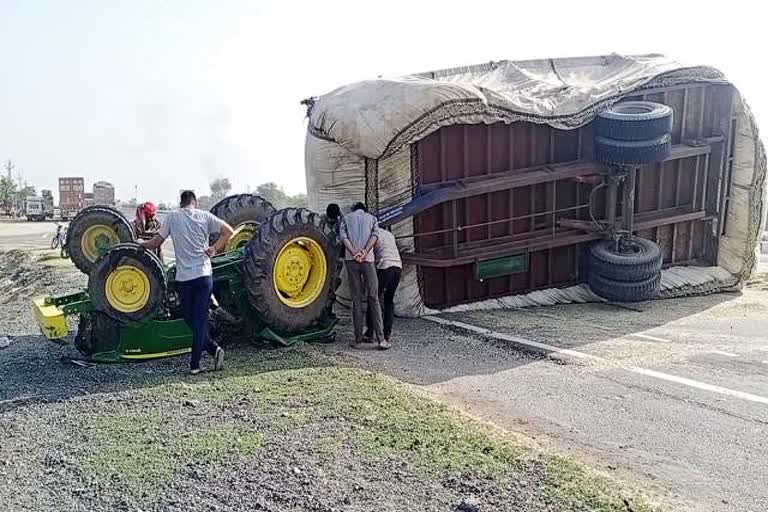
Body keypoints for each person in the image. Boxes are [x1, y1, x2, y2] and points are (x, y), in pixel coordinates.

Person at [140, 190, 234, 374]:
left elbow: (156, 242)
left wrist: (139, 244)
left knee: (192, 318)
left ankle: (195, 365)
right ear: (195, 202)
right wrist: (214, 248)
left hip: (185, 279)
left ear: (180, 202)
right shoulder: (205, 216)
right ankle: (214, 349)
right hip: (204, 276)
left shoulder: (172, 217)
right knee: (195, 320)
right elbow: (229, 231)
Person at [339, 202, 389, 350]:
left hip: (351, 261)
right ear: (364, 209)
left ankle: (358, 340)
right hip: (368, 261)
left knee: (356, 300)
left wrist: (354, 252)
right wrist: (365, 251)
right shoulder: (372, 218)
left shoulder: (346, 219)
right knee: (374, 298)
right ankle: (381, 340)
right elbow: (375, 236)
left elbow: (343, 237)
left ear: (353, 209)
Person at [364, 227, 402, 343]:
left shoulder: (373, 235)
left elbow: (370, 257)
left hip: (385, 267)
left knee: (373, 298)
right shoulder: (389, 234)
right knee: (389, 300)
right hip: (398, 267)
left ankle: (370, 332)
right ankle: (387, 333)